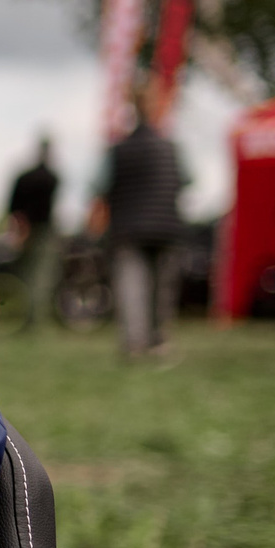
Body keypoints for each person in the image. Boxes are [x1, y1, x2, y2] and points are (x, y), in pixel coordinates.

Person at [96, 87, 189, 360]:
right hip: (166, 227)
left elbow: (99, 186)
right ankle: (158, 341)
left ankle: (134, 344)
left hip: (127, 228)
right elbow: (187, 181)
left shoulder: (117, 150)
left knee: (132, 287)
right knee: (162, 290)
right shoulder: (172, 148)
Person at [2, 134, 61, 332]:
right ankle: (33, 320)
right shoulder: (52, 178)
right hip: (42, 232)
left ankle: (25, 318)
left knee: (25, 275)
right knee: (40, 277)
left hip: (23, 230)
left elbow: (13, 207)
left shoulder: (24, 177)